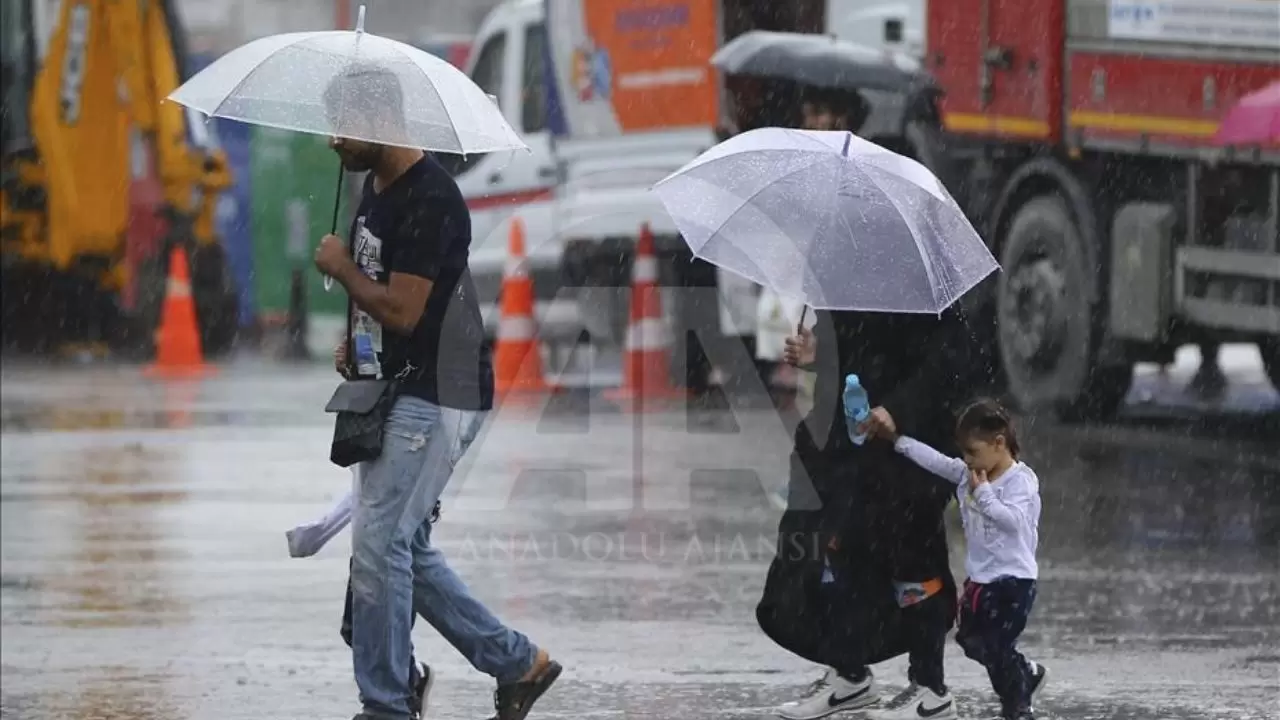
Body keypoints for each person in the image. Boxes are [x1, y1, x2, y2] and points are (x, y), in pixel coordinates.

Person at [313, 63, 561, 720]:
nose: (332, 143)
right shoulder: (375, 187)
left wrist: (340, 270)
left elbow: (404, 310)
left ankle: (387, 703)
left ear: (379, 123)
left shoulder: (432, 200)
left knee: (381, 545)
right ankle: (518, 664)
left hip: (438, 393)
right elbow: (380, 307)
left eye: (342, 130)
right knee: (405, 551)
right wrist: (357, 350)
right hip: (395, 387)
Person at [761, 305, 976, 720]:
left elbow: (953, 358)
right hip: (844, 445)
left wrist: (898, 408)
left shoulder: (923, 290)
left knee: (912, 564)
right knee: (832, 556)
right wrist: (818, 358)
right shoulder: (847, 275)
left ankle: (930, 689)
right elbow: (858, 358)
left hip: (906, 447)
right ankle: (849, 672)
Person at [868, 399, 1049, 720]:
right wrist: (897, 441)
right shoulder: (970, 473)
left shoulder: (1020, 480)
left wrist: (984, 495)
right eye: (964, 453)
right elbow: (936, 461)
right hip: (980, 580)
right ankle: (1026, 672)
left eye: (973, 452)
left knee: (995, 646)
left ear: (999, 443)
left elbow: (1015, 523)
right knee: (971, 640)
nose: (967, 461)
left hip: (1013, 582)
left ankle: (1018, 703)